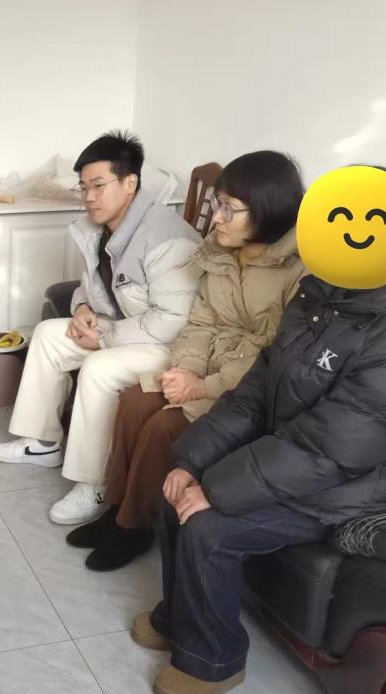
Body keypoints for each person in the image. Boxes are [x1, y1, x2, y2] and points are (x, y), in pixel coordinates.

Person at [132, 167, 386, 694]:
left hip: (371, 477)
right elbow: (258, 387)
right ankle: (180, 616)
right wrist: (195, 460)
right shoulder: (322, 293)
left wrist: (215, 490)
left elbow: (333, 448)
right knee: (177, 489)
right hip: (307, 451)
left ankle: (213, 660)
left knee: (209, 527)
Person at [67, 151, 306, 571]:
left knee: (162, 426)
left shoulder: (298, 270)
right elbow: (200, 321)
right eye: (217, 204)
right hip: (205, 366)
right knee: (134, 402)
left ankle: (134, 527)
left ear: (268, 209)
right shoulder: (220, 253)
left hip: (246, 387)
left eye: (229, 209)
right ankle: (117, 506)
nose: (217, 218)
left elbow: (274, 351)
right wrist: (188, 369)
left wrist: (204, 386)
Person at [0, 131, 201, 524]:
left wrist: (103, 337)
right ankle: (42, 442)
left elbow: (174, 321)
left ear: (130, 183)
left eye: (99, 186)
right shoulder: (97, 229)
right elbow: (90, 287)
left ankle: (94, 482)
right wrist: (83, 308)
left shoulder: (166, 238)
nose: (89, 196)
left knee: (99, 369)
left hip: (170, 345)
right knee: (50, 335)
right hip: (124, 331)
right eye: (83, 187)